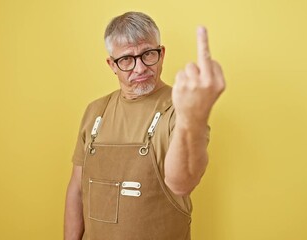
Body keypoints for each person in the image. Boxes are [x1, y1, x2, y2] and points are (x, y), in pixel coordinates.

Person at [64, 11, 225, 240]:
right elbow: (77, 191)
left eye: (148, 54)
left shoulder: (181, 109)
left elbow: (182, 183)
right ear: (112, 65)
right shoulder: (95, 112)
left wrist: (193, 119)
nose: (139, 68)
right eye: (127, 59)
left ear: (161, 54)